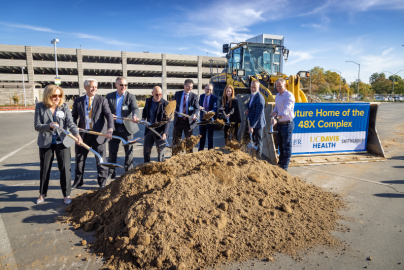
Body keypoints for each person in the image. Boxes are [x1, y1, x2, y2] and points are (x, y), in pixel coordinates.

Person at [34, 85, 82, 205]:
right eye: (54, 95)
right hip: (46, 142)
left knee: (65, 169)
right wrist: (49, 126)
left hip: (63, 141)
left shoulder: (64, 106)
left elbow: (70, 123)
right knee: (45, 169)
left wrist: (77, 135)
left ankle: (66, 194)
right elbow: (37, 126)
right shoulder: (40, 106)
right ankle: (42, 193)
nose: (57, 98)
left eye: (59, 95)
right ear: (48, 95)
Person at [71, 78, 114, 189]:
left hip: (98, 135)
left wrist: (110, 129)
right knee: (79, 160)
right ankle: (78, 180)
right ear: (85, 87)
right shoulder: (78, 101)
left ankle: (102, 182)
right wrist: (74, 127)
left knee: (101, 159)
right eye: (92, 86)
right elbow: (73, 116)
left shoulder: (102, 100)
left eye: (96, 86)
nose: (94, 88)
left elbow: (109, 115)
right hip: (82, 135)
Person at [106, 77, 139, 179]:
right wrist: (110, 115)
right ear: (116, 85)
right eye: (121, 85)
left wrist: (134, 115)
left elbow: (135, 108)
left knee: (129, 151)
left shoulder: (130, 96)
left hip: (127, 128)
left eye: (125, 85)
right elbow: (105, 110)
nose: (123, 87)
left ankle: (128, 172)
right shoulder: (109, 96)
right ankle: (111, 173)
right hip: (114, 128)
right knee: (112, 151)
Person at [271, 78, 295, 171]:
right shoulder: (277, 96)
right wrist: (273, 113)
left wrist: (277, 118)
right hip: (280, 124)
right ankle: (280, 163)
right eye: (277, 86)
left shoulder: (289, 96)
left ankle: (284, 167)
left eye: (280, 86)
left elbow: (286, 110)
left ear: (285, 85)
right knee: (280, 145)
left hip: (287, 124)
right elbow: (276, 108)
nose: (278, 88)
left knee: (286, 146)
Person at [142, 86, 171, 162]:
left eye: (160, 94)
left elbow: (168, 120)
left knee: (161, 153)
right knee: (146, 151)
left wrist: (165, 133)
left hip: (160, 132)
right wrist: (143, 117)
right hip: (149, 130)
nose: (159, 96)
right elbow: (145, 110)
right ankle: (146, 167)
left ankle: (161, 169)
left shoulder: (166, 104)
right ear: (152, 93)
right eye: (156, 94)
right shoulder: (148, 101)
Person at [172, 79, 200, 154]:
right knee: (176, 140)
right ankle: (174, 155)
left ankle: (189, 157)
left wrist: (194, 114)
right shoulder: (177, 94)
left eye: (191, 87)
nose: (190, 88)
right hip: (178, 121)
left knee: (189, 142)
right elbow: (172, 104)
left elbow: (197, 108)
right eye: (188, 86)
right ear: (184, 85)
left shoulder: (194, 96)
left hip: (188, 122)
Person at [244, 80, 266, 159]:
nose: (253, 89)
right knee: (253, 142)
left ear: (258, 88)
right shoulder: (252, 95)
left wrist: (252, 126)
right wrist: (247, 110)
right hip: (253, 122)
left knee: (258, 142)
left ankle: (258, 159)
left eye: (255, 87)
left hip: (258, 124)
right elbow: (249, 104)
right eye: (252, 87)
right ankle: (253, 157)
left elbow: (258, 115)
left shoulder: (260, 98)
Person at [198, 83, 218, 151]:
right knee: (201, 136)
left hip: (210, 119)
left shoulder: (214, 97)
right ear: (204, 89)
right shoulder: (201, 96)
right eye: (207, 89)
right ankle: (201, 150)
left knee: (210, 137)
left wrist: (211, 112)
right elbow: (198, 105)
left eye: (210, 89)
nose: (209, 91)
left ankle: (210, 150)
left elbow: (215, 108)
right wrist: (199, 107)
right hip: (202, 119)